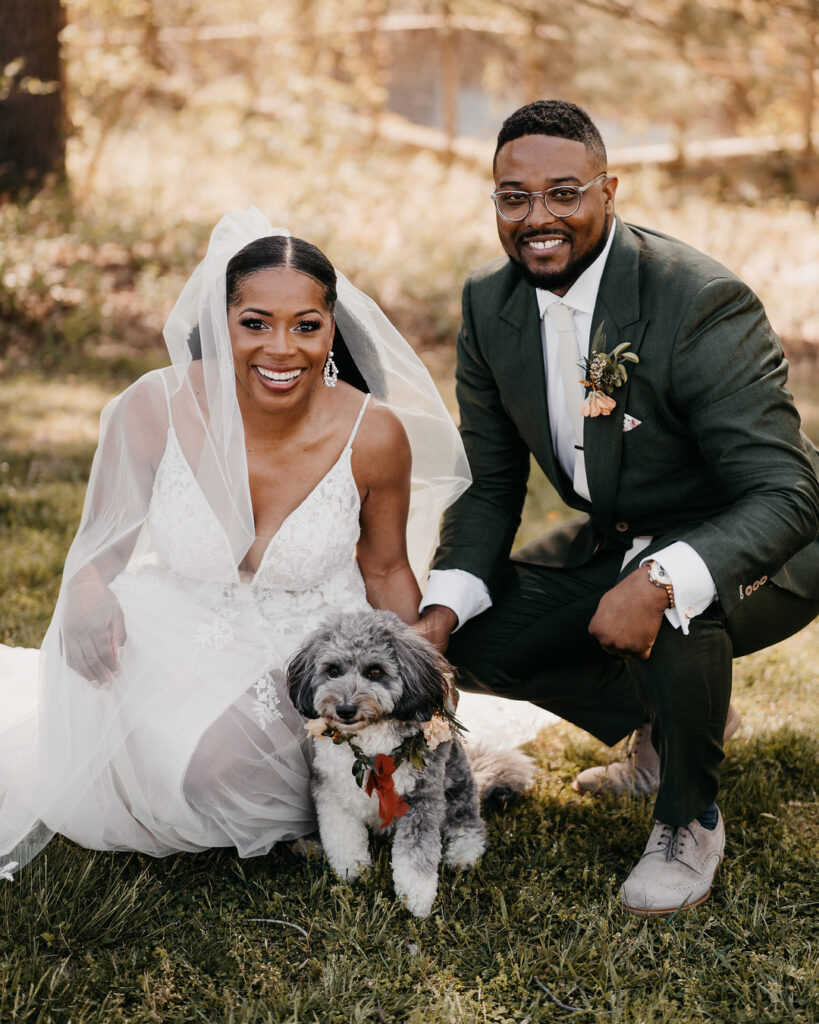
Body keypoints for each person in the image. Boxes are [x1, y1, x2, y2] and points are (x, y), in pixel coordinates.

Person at [416, 100, 819, 915]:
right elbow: (492, 486)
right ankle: (680, 718)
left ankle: (685, 814)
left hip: (765, 544)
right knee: (479, 630)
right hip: (620, 533)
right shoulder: (488, 307)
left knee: (667, 596)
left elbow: (786, 491)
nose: (537, 218)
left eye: (563, 193)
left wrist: (661, 580)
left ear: (608, 191)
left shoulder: (697, 301)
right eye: (512, 196)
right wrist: (435, 617)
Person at [0, 208, 471, 874]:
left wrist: (418, 686)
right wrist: (82, 589)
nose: (282, 350)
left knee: (262, 770)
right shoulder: (152, 407)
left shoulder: (373, 434)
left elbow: (387, 567)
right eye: (255, 324)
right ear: (219, 327)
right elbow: (98, 545)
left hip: (308, 644)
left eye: (306, 326)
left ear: (331, 328)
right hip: (177, 624)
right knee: (162, 751)